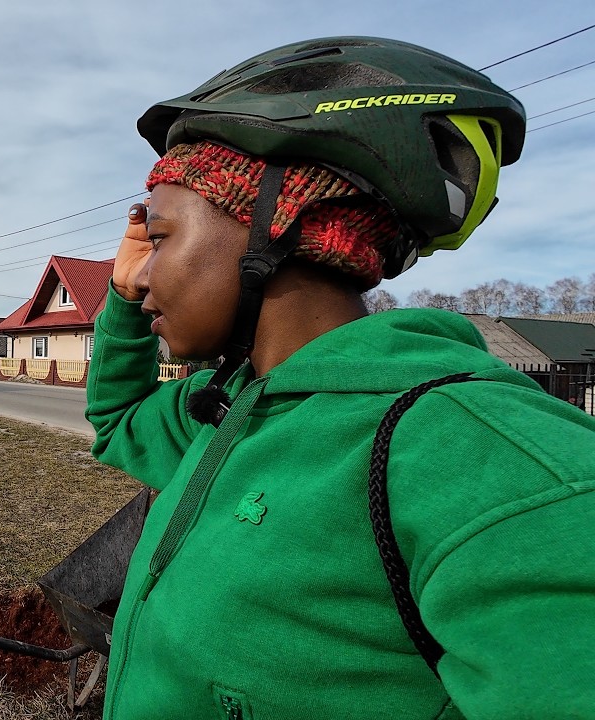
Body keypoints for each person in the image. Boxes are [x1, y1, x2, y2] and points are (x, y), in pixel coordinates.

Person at [86, 37, 595, 719]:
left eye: (162, 238)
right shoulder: (232, 408)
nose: (140, 275)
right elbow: (118, 420)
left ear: (278, 225)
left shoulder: (472, 449)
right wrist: (120, 297)